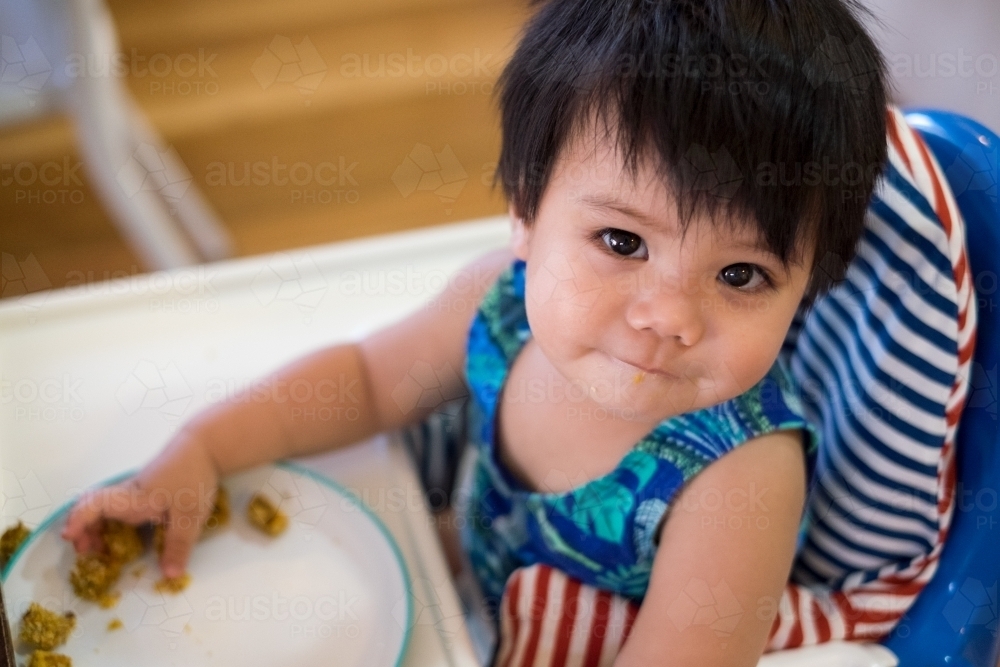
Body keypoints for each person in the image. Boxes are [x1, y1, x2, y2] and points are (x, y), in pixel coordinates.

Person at [62, 0, 889, 662]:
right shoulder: (496, 303)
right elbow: (361, 380)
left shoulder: (741, 479)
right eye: (622, 242)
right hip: (467, 589)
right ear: (525, 213)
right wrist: (204, 447)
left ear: (806, 285)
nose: (669, 316)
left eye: (741, 275)